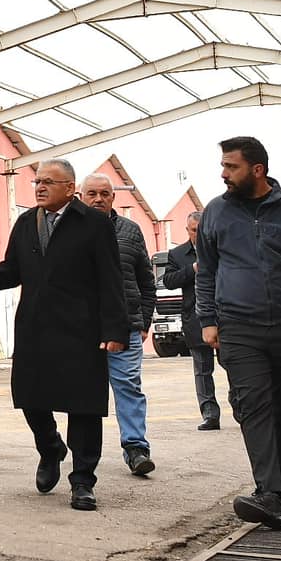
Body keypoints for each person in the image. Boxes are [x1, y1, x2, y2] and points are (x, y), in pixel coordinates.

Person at [0, 160, 128, 510]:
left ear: (70, 188)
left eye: (48, 182)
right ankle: (50, 447)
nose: (39, 187)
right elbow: (13, 269)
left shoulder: (95, 223)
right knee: (29, 397)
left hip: (81, 331)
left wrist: (115, 330)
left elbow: (110, 279)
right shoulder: (27, 222)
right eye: (36, 181)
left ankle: (83, 481)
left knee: (83, 408)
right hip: (34, 328)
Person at [196, 135, 281, 529]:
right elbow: (206, 270)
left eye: (231, 167)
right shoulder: (215, 213)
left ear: (257, 169)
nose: (223, 174)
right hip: (238, 327)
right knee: (253, 404)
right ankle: (269, 491)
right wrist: (208, 320)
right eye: (223, 166)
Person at [79, 174, 156, 477]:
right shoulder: (69, 230)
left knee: (128, 386)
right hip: (83, 330)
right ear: (80, 196)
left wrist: (144, 320)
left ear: (113, 198)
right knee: (82, 392)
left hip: (125, 327)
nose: (98, 199)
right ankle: (83, 455)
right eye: (92, 194)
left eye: (105, 194)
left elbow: (145, 281)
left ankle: (136, 449)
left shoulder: (130, 231)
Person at [160, 210, 220, 430]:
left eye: (202, 230)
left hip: (225, 317)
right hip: (195, 319)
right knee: (203, 369)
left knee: (233, 365)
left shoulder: (221, 250)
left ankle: (241, 408)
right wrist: (192, 269)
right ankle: (210, 414)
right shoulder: (177, 254)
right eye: (195, 231)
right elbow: (168, 281)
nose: (199, 235)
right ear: (188, 231)